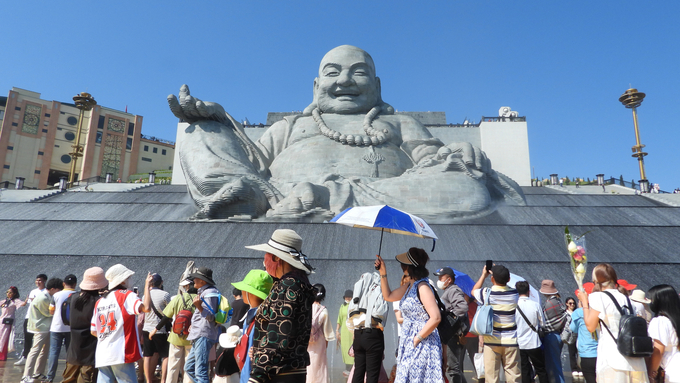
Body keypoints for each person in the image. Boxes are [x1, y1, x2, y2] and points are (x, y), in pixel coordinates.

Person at [168, 45, 525, 221]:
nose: (343, 81)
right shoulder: (292, 125)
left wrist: (460, 150)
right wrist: (218, 123)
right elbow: (251, 161)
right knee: (199, 133)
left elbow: (435, 162)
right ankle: (266, 197)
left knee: (466, 186)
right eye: (333, 72)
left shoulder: (400, 123)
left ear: (377, 84)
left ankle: (322, 198)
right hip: (279, 190)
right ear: (315, 85)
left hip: (382, 192)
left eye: (358, 73)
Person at [245, 228, 315, 383]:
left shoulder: (288, 286)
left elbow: (279, 336)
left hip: (278, 373)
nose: (264, 259)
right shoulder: (299, 283)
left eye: (267, 255)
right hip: (289, 370)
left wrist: (258, 374)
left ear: (277, 258)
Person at [375, 247, 443, 383]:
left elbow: (436, 317)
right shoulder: (410, 286)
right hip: (409, 341)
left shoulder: (422, 286)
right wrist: (383, 273)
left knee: (417, 378)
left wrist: (417, 338)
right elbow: (388, 296)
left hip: (422, 342)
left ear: (409, 267)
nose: (402, 267)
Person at [576, 263, 648, 382]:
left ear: (596, 280)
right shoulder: (626, 298)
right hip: (634, 358)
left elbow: (590, 326)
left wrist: (584, 302)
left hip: (613, 358)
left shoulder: (598, 297)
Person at [91, 264, 152, 383]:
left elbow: (93, 331)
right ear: (123, 280)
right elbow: (146, 308)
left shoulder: (100, 301)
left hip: (103, 352)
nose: (130, 280)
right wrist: (147, 285)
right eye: (129, 277)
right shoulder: (127, 295)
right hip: (120, 352)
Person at [471, 264, 520, 383]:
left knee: (491, 377)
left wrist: (484, 275)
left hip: (491, 341)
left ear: (492, 279)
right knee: (513, 377)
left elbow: (473, 291)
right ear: (508, 279)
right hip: (511, 341)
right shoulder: (515, 293)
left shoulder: (487, 293)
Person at [63, 267, 108, 383]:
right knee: (86, 378)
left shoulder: (71, 298)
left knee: (68, 378)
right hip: (92, 348)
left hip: (74, 346)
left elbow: (65, 320)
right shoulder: (100, 301)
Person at [152, 278, 197, 383]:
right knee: (189, 365)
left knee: (173, 365)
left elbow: (166, 316)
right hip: (191, 336)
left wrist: (155, 329)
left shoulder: (178, 298)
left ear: (187, 287)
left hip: (176, 335)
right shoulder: (199, 299)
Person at [184, 267, 221, 383]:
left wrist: (199, 307)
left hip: (203, 335)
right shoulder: (205, 292)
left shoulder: (210, 293)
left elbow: (211, 317)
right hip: (200, 334)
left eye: (196, 278)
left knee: (201, 372)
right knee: (189, 368)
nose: (193, 280)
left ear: (203, 281)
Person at [23, 278, 63, 383]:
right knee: (35, 350)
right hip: (40, 328)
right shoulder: (43, 298)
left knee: (43, 351)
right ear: (53, 289)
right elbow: (50, 313)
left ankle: (38, 372)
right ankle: (26, 375)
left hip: (46, 327)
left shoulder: (48, 296)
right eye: (59, 290)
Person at [434, 267, 468, 383]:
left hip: (453, 335)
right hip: (451, 334)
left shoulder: (453, 290)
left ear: (449, 279)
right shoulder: (449, 290)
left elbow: (462, 307)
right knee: (453, 367)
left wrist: (449, 317)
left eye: (441, 277)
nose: (439, 279)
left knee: (453, 368)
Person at [45, 274, 77, 383]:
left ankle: (50, 377)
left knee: (54, 352)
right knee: (70, 353)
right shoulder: (77, 295)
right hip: (71, 328)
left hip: (56, 327)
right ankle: (68, 376)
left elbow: (51, 310)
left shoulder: (57, 295)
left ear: (63, 284)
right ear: (75, 284)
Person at [515, 281, 548, 383]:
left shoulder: (514, 306)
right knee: (541, 369)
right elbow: (543, 323)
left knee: (524, 370)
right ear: (528, 291)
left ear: (517, 292)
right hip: (534, 342)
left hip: (520, 343)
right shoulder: (535, 304)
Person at [646, 284, 680, 382]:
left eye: (652, 299)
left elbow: (658, 350)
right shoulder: (675, 321)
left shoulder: (660, 321)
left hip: (671, 372)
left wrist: (651, 374)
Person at [142, 273, 171, 383]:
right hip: (160, 329)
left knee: (148, 355)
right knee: (166, 355)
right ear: (161, 283)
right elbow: (170, 311)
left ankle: (148, 380)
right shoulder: (165, 295)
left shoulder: (145, 295)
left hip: (146, 327)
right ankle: (163, 380)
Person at [539, 280, 568, 383]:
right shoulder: (558, 301)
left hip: (551, 336)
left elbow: (543, 322)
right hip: (558, 335)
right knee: (555, 364)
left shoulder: (549, 304)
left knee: (554, 366)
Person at [16, 274, 47, 366]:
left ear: (44, 281)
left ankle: (38, 359)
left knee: (39, 339)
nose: (38, 282)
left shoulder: (46, 292)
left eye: (40, 280)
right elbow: (30, 303)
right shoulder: (33, 291)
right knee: (27, 337)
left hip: (39, 318)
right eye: (37, 280)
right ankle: (25, 356)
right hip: (29, 317)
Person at [306, 284, 336, 383]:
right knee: (320, 368)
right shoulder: (324, 311)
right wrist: (324, 347)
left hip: (306, 344)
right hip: (319, 344)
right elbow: (327, 333)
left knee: (307, 368)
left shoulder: (306, 308)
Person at [570, 286, 598, 383]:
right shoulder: (600, 310)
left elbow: (573, 329)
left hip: (587, 353)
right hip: (601, 353)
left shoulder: (578, 313)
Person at [336, 289, 354, 376]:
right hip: (344, 331)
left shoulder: (355, 306)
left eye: (349, 297)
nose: (348, 298)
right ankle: (347, 368)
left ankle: (353, 369)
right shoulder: (342, 306)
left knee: (352, 349)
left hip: (352, 331)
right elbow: (339, 319)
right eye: (347, 297)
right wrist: (337, 331)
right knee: (345, 349)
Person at [0, 286, 21, 361]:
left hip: (8, 322)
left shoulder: (15, 301)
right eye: (7, 292)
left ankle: (2, 355)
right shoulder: (5, 301)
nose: (8, 294)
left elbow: (22, 304)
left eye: (10, 292)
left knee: (5, 338)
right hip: (1, 321)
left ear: (14, 293)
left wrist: (26, 301)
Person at [564, 296, 581, 380]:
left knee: (579, 352)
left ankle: (579, 368)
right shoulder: (565, 313)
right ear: (566, 304)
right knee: (571, 352)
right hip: (570, 335)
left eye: (573, 303)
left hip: (578, 334)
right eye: (570, 303)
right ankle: (574, 368)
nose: (572, 305)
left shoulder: (577, 312)